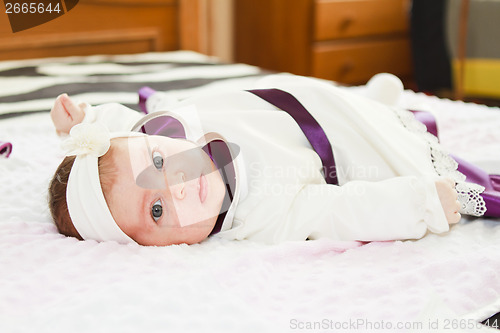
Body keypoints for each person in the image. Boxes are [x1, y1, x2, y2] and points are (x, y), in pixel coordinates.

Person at [48, 74, 491, 246]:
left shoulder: (160, 127)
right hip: (324, 136)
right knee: (372, 135)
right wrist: (416, 203)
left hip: (284, 98)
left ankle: (370, 99)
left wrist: (81, 123)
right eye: (158, 210)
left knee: (336, 97)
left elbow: (117, 128)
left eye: (159, 164)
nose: (178, 184)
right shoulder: (263, 217)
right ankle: (377, 107)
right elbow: (340, 212)